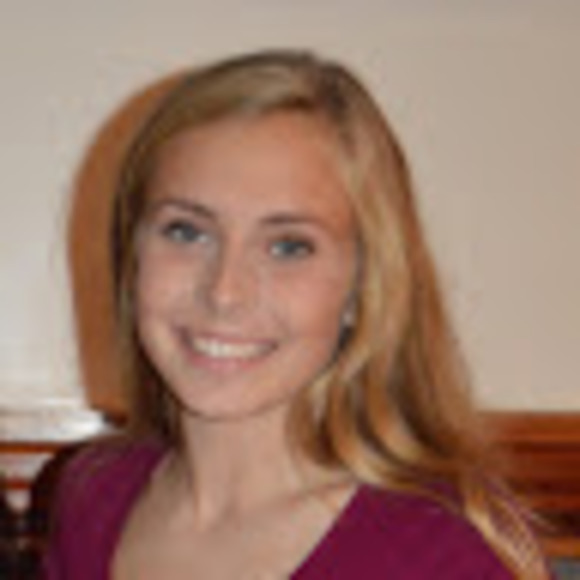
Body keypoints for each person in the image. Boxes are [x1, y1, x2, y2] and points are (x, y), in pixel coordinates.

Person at [42, 50, 550, 579]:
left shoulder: (443, 550)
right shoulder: (94, 498)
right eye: (187, 231)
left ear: (364, 284)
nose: (225, 292)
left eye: (288, 246)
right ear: (132, 253)